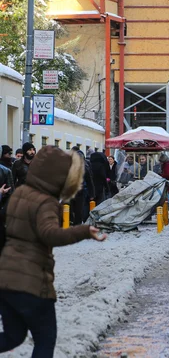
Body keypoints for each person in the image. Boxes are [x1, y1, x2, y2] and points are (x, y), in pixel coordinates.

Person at [0, 146, 106, 356]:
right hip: (31, 282)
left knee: (13, 335)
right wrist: (84, 231)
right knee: (45, 340)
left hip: (6, 278)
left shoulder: (20, 193)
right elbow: (50, 234)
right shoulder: (46, 202)